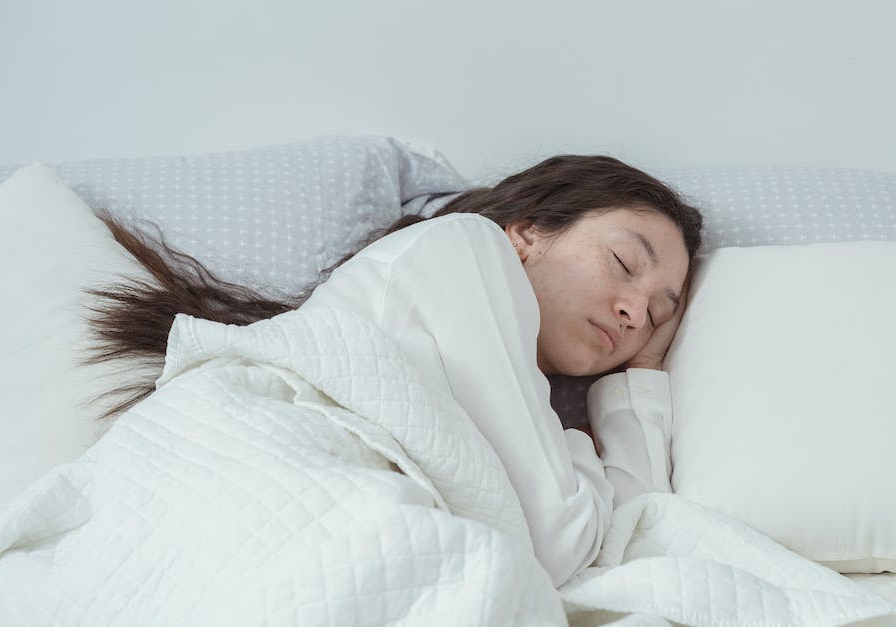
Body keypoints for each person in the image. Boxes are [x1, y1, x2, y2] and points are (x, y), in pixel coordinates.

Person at [84, 154, 704, 586]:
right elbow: (560, 541)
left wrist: (641, 375)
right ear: (527, 234)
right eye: (624, 262)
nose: (632, 313)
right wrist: (576, 449)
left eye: (657, 315)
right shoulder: (465, 248)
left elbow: (636, 539)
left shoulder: (525, 399)